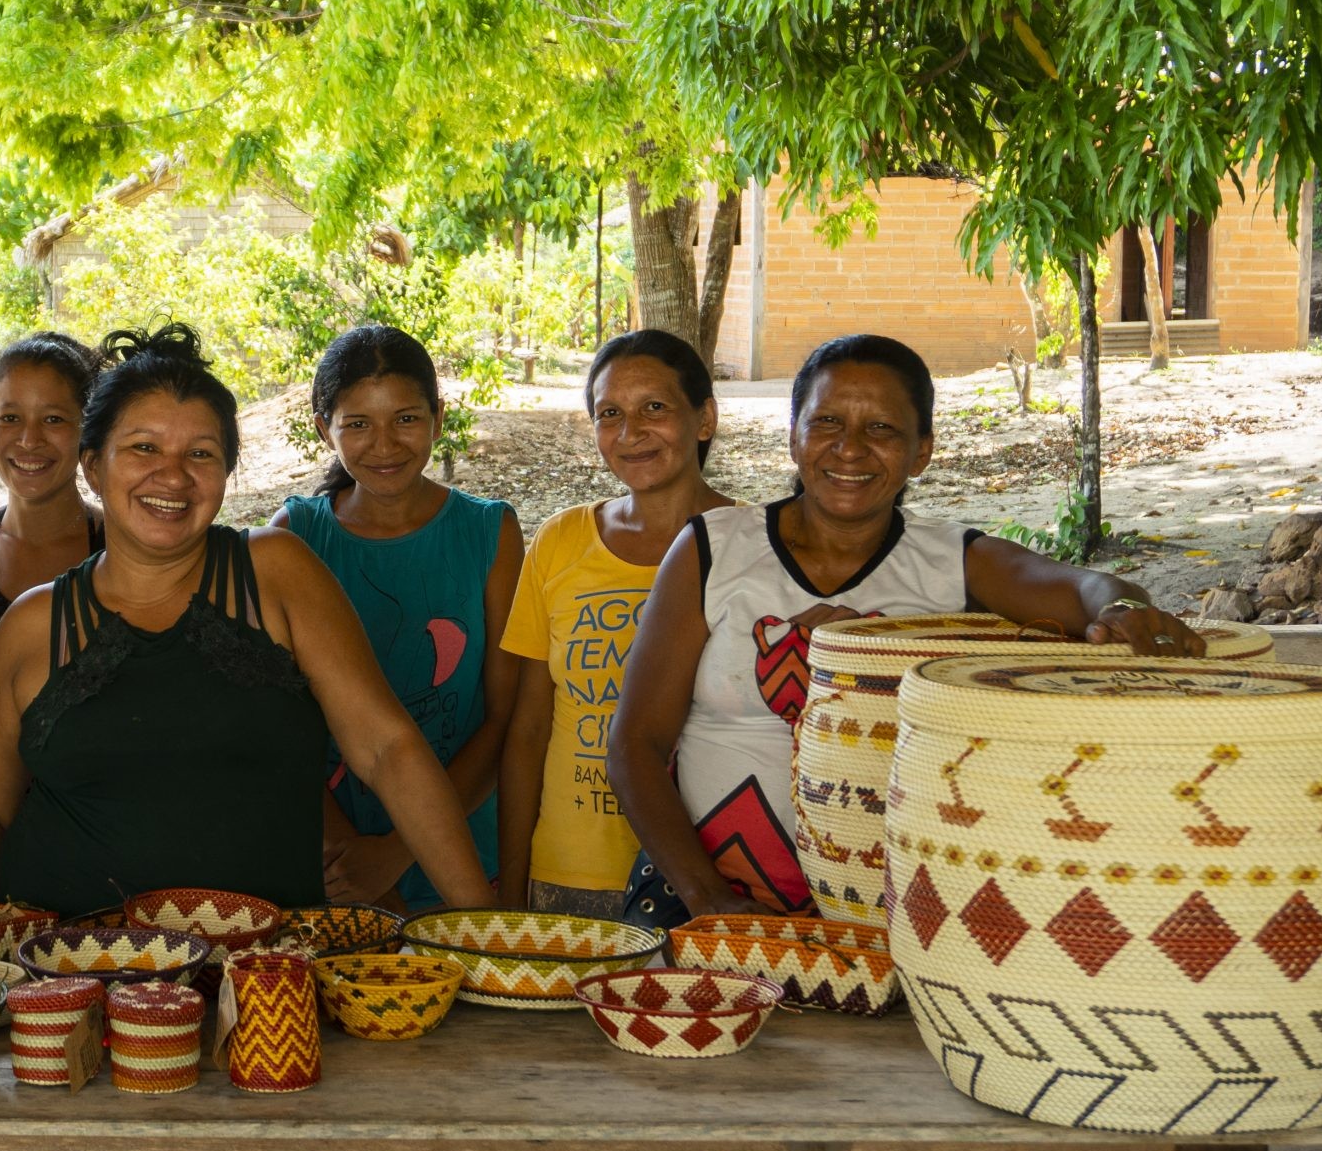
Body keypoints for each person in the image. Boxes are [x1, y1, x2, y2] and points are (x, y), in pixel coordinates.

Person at [609, 333, 1205, 928]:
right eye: (827, 423)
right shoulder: (714, 548)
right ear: (794, 437)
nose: (849, 450)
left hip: (883, 917)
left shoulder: (950, 562)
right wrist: (710, 900)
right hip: (696, 900)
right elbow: (635, 746)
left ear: (921, 452)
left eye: (882, 430)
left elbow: (1083, 588)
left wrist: (1124, 608)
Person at [0, 324, 493, 917]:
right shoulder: (34, 623)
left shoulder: (274, 573)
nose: (172, 477)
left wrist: (484, 926)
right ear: (93, 467)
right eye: (144, 448)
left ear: (225, 473)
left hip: (262, 980)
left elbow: (387, 749)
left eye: (200, 453)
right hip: (69, 973)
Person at [272, 326, 520, 910]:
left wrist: (397, 851)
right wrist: (351, 854)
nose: (384, 444)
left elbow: (503, 717)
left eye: (405, 418)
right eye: (356, 423)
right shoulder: (296, 536)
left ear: (438, 417)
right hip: (334, 863)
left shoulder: (488, 532)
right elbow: (278, 726)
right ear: (322, 429)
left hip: (460, 853)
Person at [497, 329, 731, 918]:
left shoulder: (752, 544)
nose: (631, 432)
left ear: (704, 418)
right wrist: (511, 886)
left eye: (655, 407)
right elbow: (528, 731)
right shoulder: (560, 541)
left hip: (716, 874)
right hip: (571, 874)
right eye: (610, 413)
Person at [0, 333, 104, 671]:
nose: (29, 440)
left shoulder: (119, 543)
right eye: (10, 418)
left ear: (86, 432)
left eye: (53, 419)